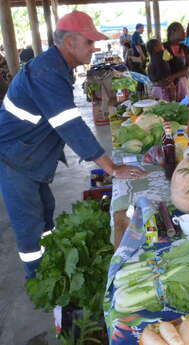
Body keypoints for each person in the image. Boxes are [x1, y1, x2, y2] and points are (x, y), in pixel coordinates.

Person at [0, 11, 146, 280]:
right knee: (30, 229)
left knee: (45, 216)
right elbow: (71, 126)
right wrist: (112, 168)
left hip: (31, 157)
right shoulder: (47, 72)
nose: (94, 48)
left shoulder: (56, 67)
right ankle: (40, 281)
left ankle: (49, 266)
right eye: (89, 42)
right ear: (69, 42)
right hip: (15, 160)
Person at [163, 22, 189, 102]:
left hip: (183, 85)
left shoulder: (186, 49)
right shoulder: (162, 47)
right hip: (166, 87)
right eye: (181, 30)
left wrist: (173, 77)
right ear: (173, 32)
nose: (184, 33)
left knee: (185, 110)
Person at [131, 23, 147, 95]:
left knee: (141, 76)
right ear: (139, 28)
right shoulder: (136, 35)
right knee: (141, 75)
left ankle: (141, 92)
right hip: (137, 59)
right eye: (142, 28)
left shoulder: (137, 35)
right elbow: (138, 46)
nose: (143, 30)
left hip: (139, 59)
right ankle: (139, 93)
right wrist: (143, 55)